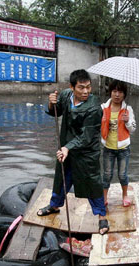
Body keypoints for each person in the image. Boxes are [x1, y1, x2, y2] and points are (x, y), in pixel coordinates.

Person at [37, 69, 109, 235]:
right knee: (61, 176)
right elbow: (57, 111)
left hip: (86, 152)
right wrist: (51, 103)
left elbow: (87, 136)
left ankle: (101, 216)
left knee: (92, 182)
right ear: (72, 87)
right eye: (81, 88)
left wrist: (67, 147)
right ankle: (54, 205)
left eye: (88, 87)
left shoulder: (94, 107)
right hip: (66, 147)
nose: (85, 91)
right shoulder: (65, 95)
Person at [100, 80, 136, 207]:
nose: (117, 95)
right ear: (110, 92)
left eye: (120, 92)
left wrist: (127, 121)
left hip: (123, 148)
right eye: (114, 91)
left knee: (122, 174)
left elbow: (133, 129)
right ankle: (104, 197)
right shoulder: (103, 108)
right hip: (108, 148)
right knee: (107, 174)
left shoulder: (128, 110)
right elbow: (97, 125)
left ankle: (125, 195)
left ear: (124, 94)